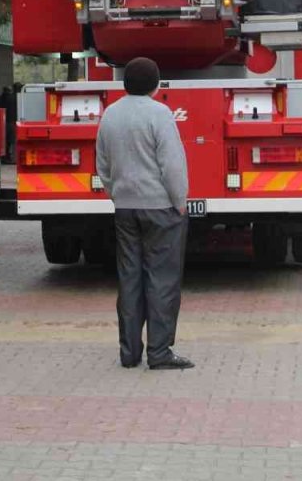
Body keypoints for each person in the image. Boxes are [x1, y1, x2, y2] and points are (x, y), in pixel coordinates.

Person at [95, 57, 193, 370]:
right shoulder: (159, 113)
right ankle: (160, 353)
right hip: (160, 208)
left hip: (125, 208)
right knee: (162, 279)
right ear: (156, 84)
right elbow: (172, 164)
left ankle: (129, 353)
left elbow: (103, 163)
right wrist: (180, 200)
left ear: (125, 83)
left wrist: (117, 194)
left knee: (130, 278)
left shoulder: (110, 114)